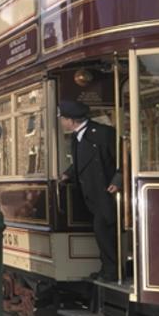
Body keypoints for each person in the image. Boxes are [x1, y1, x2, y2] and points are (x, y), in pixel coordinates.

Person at [58, 99, 122, 280]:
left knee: (104, 230)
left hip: (106, 191)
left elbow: (124, 157)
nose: (62, 122)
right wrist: (67, 174)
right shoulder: (77, 136)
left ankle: (112, 271)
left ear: (71, 120)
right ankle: (107, 269)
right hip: (90, 192)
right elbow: (80, 161)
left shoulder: (103, 133)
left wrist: (118, 180)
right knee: (101, 232)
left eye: (63, 119)